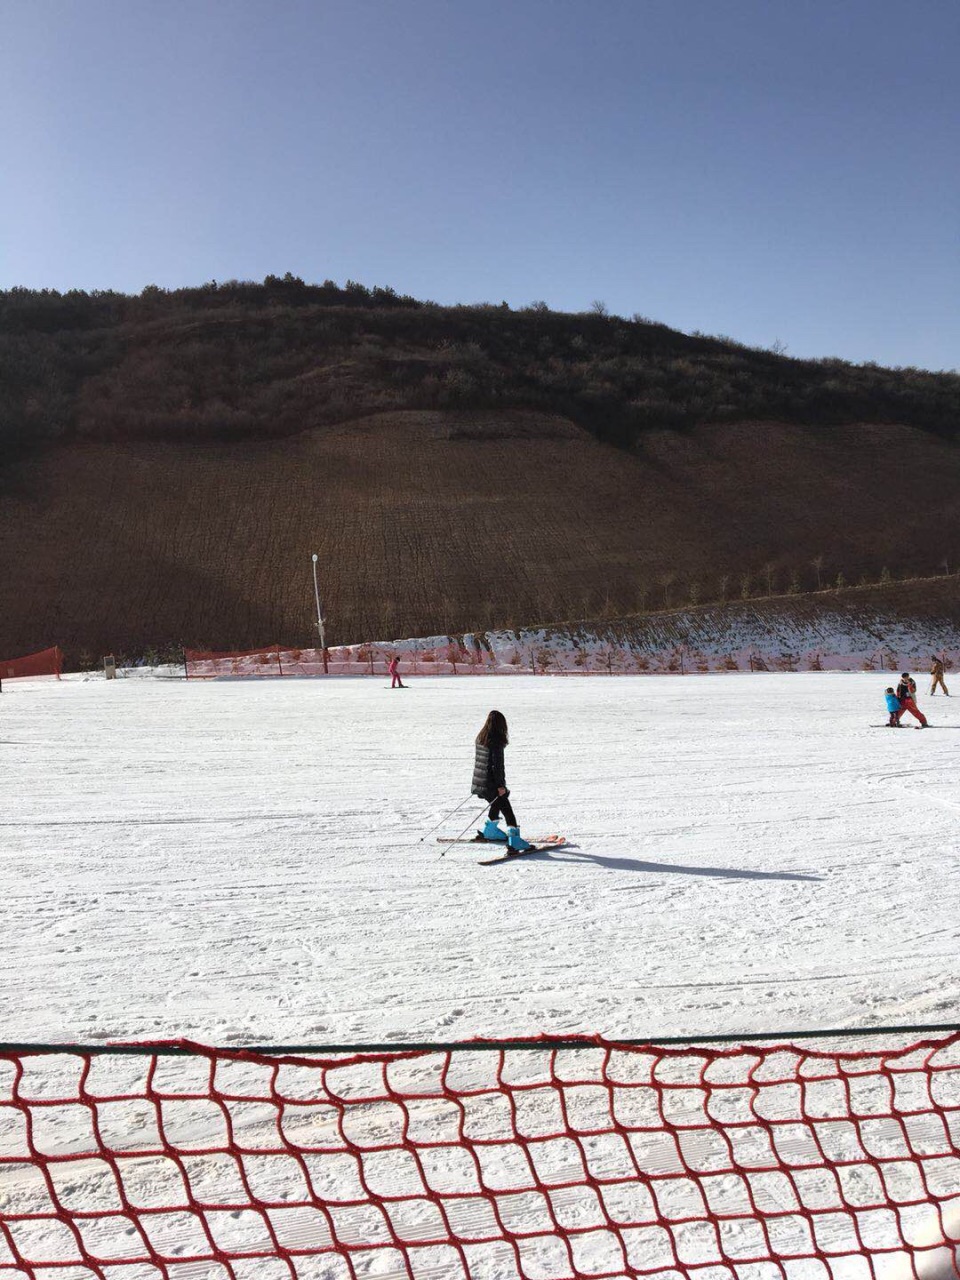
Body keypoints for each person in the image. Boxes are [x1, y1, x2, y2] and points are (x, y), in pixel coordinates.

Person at [471, 710, 532, 852]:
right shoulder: (496, 741)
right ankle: (515, 842)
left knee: (496, 804)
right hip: (492, 784)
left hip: (481, 783)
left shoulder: (481, 738)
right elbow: (496, 766)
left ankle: (490, 831)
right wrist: (500, 786)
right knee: (507, 810)